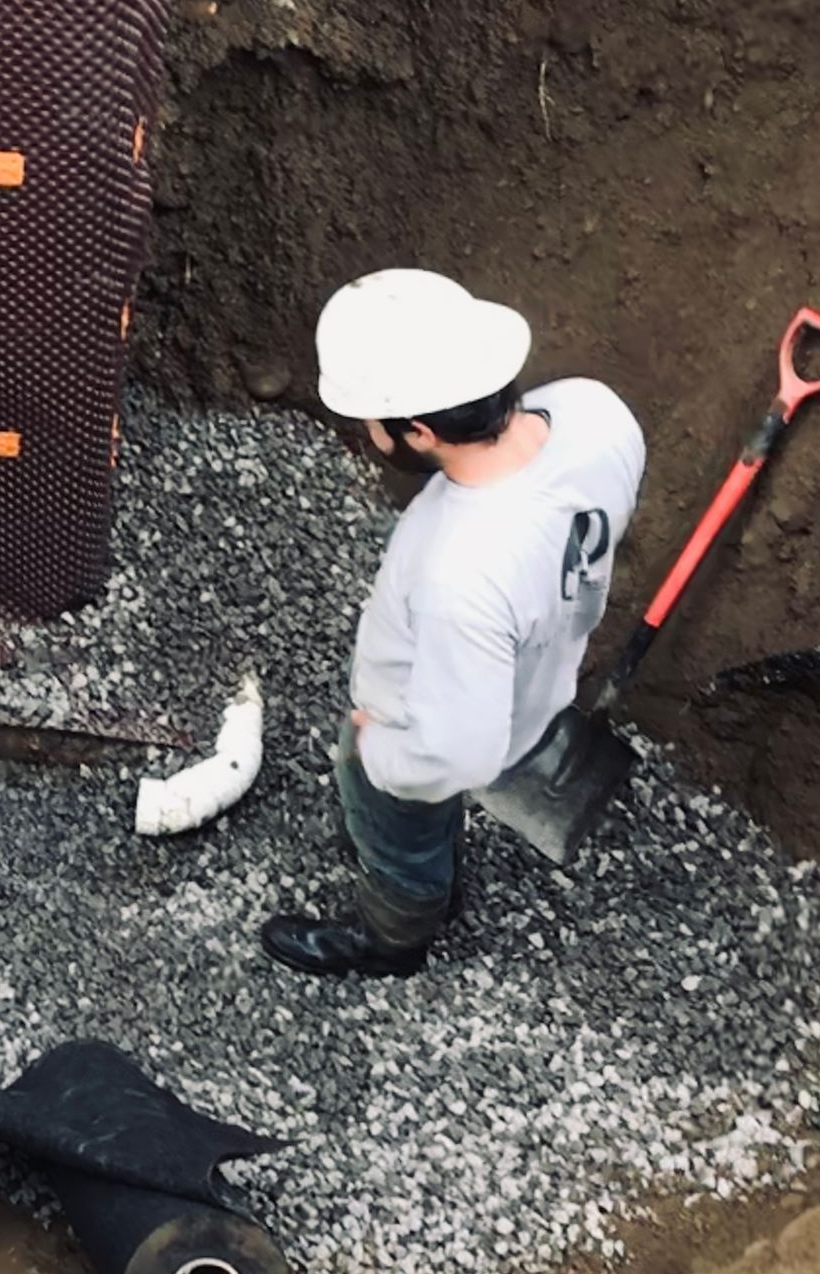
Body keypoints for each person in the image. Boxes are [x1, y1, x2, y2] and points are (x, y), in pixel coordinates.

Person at [263, 268, 645, 979]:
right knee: (432, 788)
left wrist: (379, 753)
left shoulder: (459, 566)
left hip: (422, 727)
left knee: (399, 825)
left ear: (418, 429)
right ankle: (426, 871)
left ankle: (393, 938)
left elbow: (456, 755)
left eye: (372, 422)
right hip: (536, 682)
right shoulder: (595, 415)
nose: (368, 433)